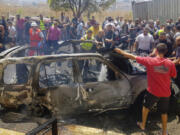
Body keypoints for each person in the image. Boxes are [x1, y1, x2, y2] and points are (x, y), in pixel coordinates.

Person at [115, 43, 177, 135]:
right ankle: (164, 132)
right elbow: (174, 76)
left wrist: (121, 52)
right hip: (165, 93)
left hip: (153, 91)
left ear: (156, 50)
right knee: (164, 112)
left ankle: (143, 125)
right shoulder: (170, 63)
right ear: (166, 52)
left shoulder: (149, 61)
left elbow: (133, 57)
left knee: (146, 107)